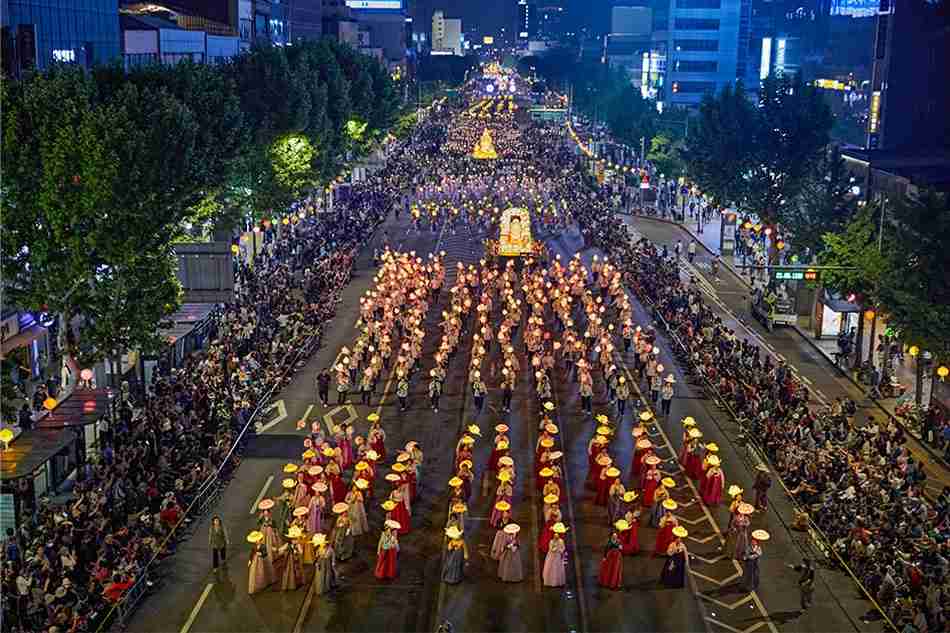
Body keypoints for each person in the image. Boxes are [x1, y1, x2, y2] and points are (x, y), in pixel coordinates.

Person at [598, 524, 625, 590]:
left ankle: (613, 584)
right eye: (614, 536)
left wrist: (620, 547)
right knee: (609, 570)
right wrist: (604, 557)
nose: (615, 537)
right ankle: (607, 583)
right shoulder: (609, 542)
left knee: (615, 571)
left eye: (616, 536)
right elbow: (606, 549)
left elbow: (621, 548)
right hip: (610, 557)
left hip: (616, 558)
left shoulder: (618, 541)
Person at [542, 523, 568, 587]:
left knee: (557, 568)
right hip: (552, 556)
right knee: (551, 567)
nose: (556, 538)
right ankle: (550, 581)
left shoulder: (561, 541)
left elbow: (563, 547)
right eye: (555, 537)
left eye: (557, 537)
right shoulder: (551, 541)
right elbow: (551, 549)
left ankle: (558, 581)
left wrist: (560, 550)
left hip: (558, 556)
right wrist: (554, 548)